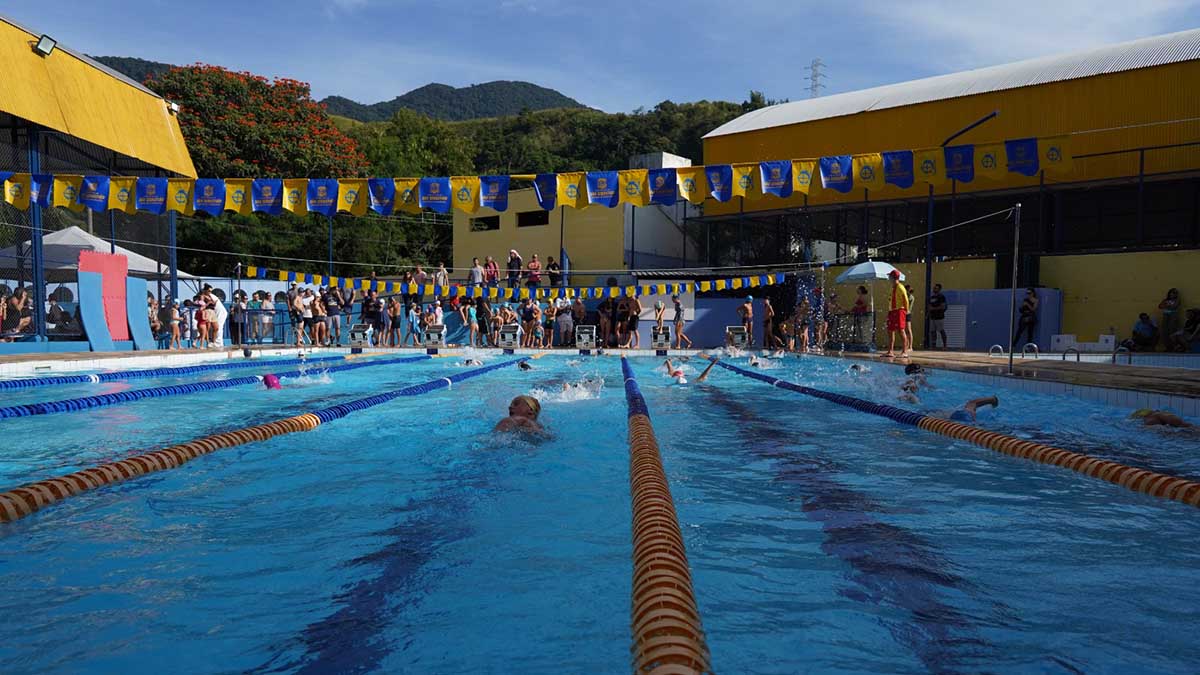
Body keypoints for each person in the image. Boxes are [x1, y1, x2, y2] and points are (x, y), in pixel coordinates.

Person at [883, 270, 910, 358]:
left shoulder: (900, 287)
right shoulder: (893, 288)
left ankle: (904, 351)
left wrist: (906, 310)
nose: (889, 279)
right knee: (890, 330)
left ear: (893, 278)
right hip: (892, 311)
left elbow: (905, 299)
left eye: (889, 277)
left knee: (901, 330)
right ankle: (890, 351)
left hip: (899, 310)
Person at [933, 396, 1000, 423]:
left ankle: (992, 399)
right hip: (961, 416)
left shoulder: (932, 414)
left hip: (961, 418)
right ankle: (992, 399)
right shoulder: (940, 412)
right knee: (971, 403)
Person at [928, 283, 948, 349]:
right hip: (932, 317)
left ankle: (945, 345)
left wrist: (933, 308)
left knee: (941, 330)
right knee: (932, 331)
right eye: (934, 288)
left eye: (936, 288)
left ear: (939, 289)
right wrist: (928, 313)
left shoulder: (941, 297)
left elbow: (943, 306)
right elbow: (929, 306)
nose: (934, 289)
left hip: (939, 317)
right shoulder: (931, 297)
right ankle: (934, 346)